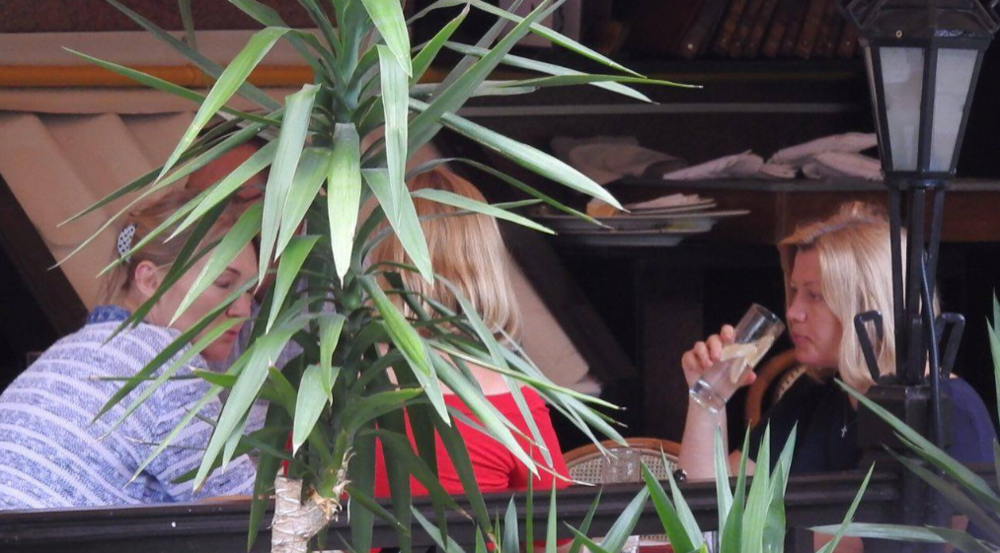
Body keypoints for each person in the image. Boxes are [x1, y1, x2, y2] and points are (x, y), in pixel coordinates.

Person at [678, 202, 996, 479]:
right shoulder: (814, 394)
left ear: (868, 305)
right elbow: (711, 506)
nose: (792, 312)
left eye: (814, 295)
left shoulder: (949, 411)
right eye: (796, 291)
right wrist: (708, 398)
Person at [0, 189, 259, 509]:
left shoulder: (62, 352)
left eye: (251, 292)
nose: (243, 310)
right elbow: (246, 512)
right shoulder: (165, 363)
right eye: (224, 284)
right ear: (150, 280)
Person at [368, 168, 570, 497]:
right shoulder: (513, 402)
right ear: (486, 267)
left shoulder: (333, 388)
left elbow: (291, 502)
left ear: (383, 256)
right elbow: (562, 524)